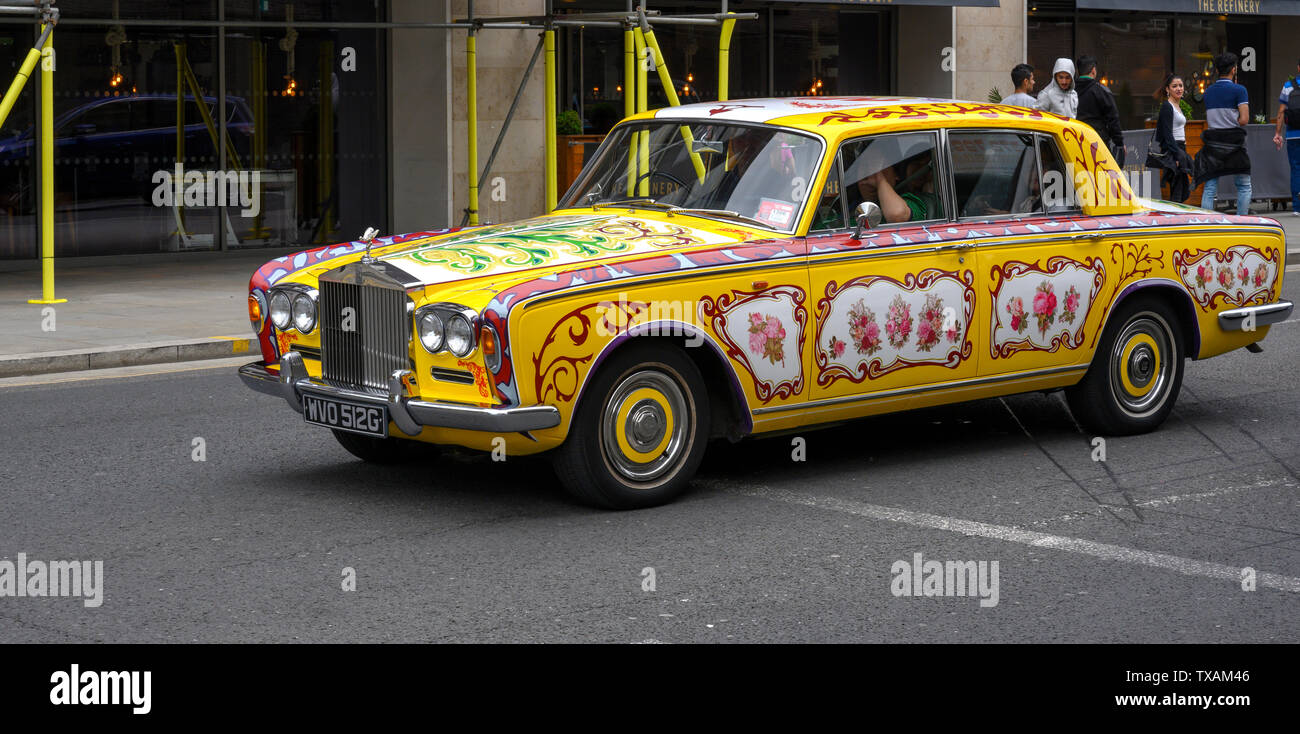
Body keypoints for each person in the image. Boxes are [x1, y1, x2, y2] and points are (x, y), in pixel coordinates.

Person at [1195, 52, 1252, 215]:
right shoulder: (1240, 90)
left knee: (1210, 186)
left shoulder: (1208, 92)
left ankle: (1206, 224)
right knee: (1243, 185)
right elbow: (1244, 119)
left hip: (1213, 143)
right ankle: (1242, 224)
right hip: (1235, 143)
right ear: (1233, 69)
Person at [1148, 73, 1193, 203]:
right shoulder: (1167, 107)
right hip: (1173, 149)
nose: (1178, 88)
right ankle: (1174, 218)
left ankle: (1176, 217)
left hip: (1180, 148)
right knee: (1177, 189)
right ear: (1168, 89)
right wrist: (1176, 155)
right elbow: (1167, 134)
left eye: (1180, 85)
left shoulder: (1178, 106)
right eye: (1174, 86)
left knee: (1181, 187)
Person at [1074, 55, 1125, 165]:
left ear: (1078, 71)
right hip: (1098, 144)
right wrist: (1119, 143)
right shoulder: (1101, 91)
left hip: (1075, 143)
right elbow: (1113, 119)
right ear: (1093, 71)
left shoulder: (1070, 91)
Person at [1271, 58, 1300, 216]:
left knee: (1296, 170)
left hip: (1293, 135)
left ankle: (1297, 207)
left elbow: (1281, 112)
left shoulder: (1288, 86)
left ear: (1298, 68)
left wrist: (1277, 133)